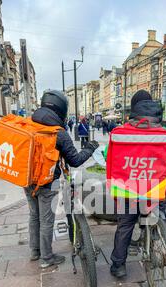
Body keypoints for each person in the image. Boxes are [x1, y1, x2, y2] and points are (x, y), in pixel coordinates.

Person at [25, 90, 99, 269]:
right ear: (61, 109)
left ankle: (35, 251)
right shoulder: (58, 133)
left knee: (34, 216)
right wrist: (90, 148)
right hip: (47, 183)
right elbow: (75, 160)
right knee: (46, 220)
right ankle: (47, 257)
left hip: (27, 180)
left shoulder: (28, 124)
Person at [110, 90, 166, 279]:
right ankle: (158, 250)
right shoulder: (164, 134)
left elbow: (111, 164)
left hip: (127, 189)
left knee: (125, 226)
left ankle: (119, 265)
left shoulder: (120, 132)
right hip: (154, 188)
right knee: (154, 218)